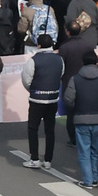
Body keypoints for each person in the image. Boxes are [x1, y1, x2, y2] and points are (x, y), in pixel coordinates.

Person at [66, 51, 98, 187]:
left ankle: (87, 180)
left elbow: (69, 100)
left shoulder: (75, 79)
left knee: (84, 151)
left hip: (81, 119)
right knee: (96, 150)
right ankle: (94, 177)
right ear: (96, 63)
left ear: (82, 63)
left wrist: (76, 108)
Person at [25, 36, 65, 171]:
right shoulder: (59, 59)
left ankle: (34, 158)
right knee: (50, 130)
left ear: (39, 45)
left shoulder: (33, 60)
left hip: (37, 99)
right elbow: (60, 75)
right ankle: (48, 160)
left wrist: (33, 89)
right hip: (53, 98)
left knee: (33, 128)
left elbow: (26, 80)